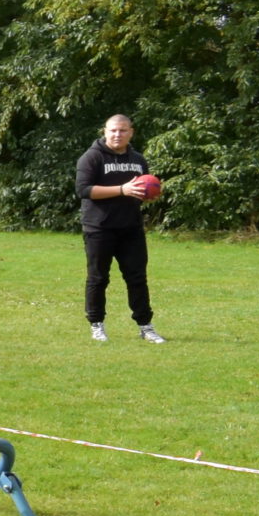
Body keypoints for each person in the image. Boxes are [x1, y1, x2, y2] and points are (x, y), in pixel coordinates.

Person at [77, 114, 164, 344]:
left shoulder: (138, 159)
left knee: (137, 278)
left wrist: (148, 195)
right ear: (105, 131)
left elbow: (139, 190)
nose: (118, 135)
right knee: (98, 278)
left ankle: (145, 326)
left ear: (131, 132)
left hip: (131, 228)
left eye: (123, 130)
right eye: (113, 130)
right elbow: (84, 190)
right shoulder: (91, 157)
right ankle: (97, 325)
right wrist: (122, 189)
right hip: (99, 228)